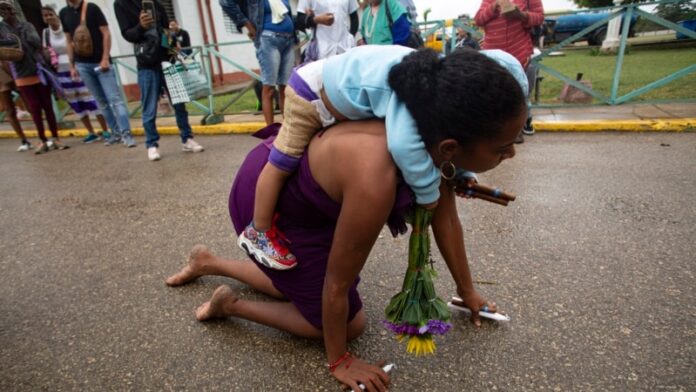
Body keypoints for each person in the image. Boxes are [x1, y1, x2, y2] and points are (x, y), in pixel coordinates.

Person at [166, 47, 527, 391]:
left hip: (309, 196)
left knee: (296, 282)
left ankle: (208, 262)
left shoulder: (429, 131)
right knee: (348, 322)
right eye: (502, 148)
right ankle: (230, 305)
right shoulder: (376, 176)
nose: (511, 153)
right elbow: (336, 284)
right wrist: (339, 359)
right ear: (449, 147)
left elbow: (445, 221)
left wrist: (469, 293)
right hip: (273, 202)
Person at [235, 45, 528, 271]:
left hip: (336, 87)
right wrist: (427, 196)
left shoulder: (436, 86)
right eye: (503, 147)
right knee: (283, 160)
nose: (511, 153)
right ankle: (258, 229)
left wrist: (460, 175)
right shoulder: (413, 97)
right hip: (310, 93)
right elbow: (403, 146)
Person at [114, 0, 204, 161]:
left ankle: (187, 138)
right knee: (149, 107)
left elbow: (165, 28)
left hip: (167, 60)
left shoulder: (156, 3)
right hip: (146, 63)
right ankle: (152, 144)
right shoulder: (121, 4)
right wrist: (141, 26)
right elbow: (128, 35)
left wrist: (172, 39)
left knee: (179, 103)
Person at [60, 0, 136, 148]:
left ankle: (127, 134)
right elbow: (69, 41)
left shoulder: (92, 8)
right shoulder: (64, 13)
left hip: (101, 63)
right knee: (101, 102)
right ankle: (115, 133)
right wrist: (72, 65)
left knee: (115, 100)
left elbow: (105, 33)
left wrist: (105, 58)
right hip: (82, 64)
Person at [0, 0, 67, 154]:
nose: (4, 12)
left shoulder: (26, 25)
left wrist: (19, 38)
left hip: (38, 69)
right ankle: (42, 139)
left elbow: (36, 43)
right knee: (35, 108)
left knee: (47, 106)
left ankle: (55, 137)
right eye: (1, 10)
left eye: (6, 9)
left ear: (13, 10)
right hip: (20, 72)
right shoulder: (1, 28)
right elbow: (5, 48)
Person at [475, 0, 544, 143]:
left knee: (519, 92)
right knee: (493, 93)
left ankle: (516, 131)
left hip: (519, 51)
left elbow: (539, 17)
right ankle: (494, 131)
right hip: (493, 53)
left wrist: (521, 15)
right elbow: (479, 19)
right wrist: (494, 7)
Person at [220, 0, 297, 126]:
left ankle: (287, 130)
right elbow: (226, 2)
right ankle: (270, 132)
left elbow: (288, 15)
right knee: (269, 88)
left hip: (288, 40)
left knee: (286, 89)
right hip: (268, 40)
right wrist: (248, 26)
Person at [41, 6, 110, 144]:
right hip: (61, 71)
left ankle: (105, 129)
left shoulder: (66, 29)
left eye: (50, 14)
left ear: (56, 15)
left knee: (90, 98)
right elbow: (46, 49)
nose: (48, 17)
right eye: (45, 16)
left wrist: (75, 64)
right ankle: (90, 132)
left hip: (77, 66)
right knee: (75, 102)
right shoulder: (46, 33)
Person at [295, 0, 359, 61]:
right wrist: (316, 20)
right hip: (321, 50)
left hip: (345, 48)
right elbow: (300, 20)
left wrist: (351, 38)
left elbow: (354, 19)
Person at [0, 60, 31, 151]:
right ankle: (24, 141)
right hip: (1, 75)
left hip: (13, 67)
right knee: (9, 110)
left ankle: (43, 138)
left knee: (30, 105)